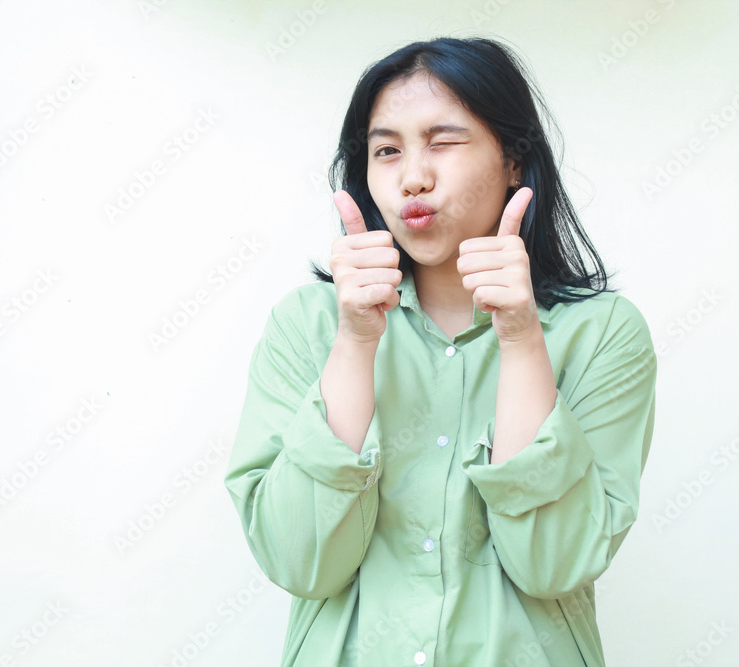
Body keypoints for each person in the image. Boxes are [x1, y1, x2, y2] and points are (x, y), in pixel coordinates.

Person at [224, 36, 658, 667]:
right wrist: (353, 345)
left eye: (444, 141)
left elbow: (554, 564)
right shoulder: (307, 326)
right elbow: (300, 561)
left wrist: (520, 339)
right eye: (386, 150)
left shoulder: (602, 333)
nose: (412, 176)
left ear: (514, 158)